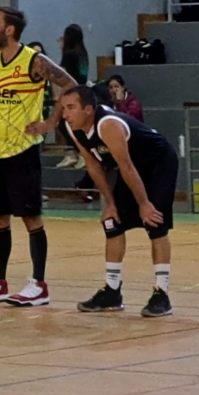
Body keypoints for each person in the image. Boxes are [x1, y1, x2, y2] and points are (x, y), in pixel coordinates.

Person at [0, 7, 75, 307]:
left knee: (30, 216)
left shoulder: (33, 61)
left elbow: (70, 85)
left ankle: (39, 284)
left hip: (22, 150)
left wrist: (51, 123)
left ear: (9, 29)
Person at [60, 86, 177, 318]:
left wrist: (144, 204)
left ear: (88, 109)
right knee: (112, 223)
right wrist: (110, 204)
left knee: (154, 222)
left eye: (71, 108)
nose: (65, 114)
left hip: (158, 163)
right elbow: (93, 165)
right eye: (63, 108)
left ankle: (161, 294)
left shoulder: (108, 125)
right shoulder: (73, 128)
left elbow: (127, 166)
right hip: (130, 169)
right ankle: (112, 291)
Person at [55, 25, 90, 169]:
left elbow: (62, 75)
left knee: (64, 124)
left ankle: (78, 153)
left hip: (71, 93)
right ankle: (75, 153)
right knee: (73, 124)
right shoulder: (83, 54)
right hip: (82, 92)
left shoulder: (69, 55)